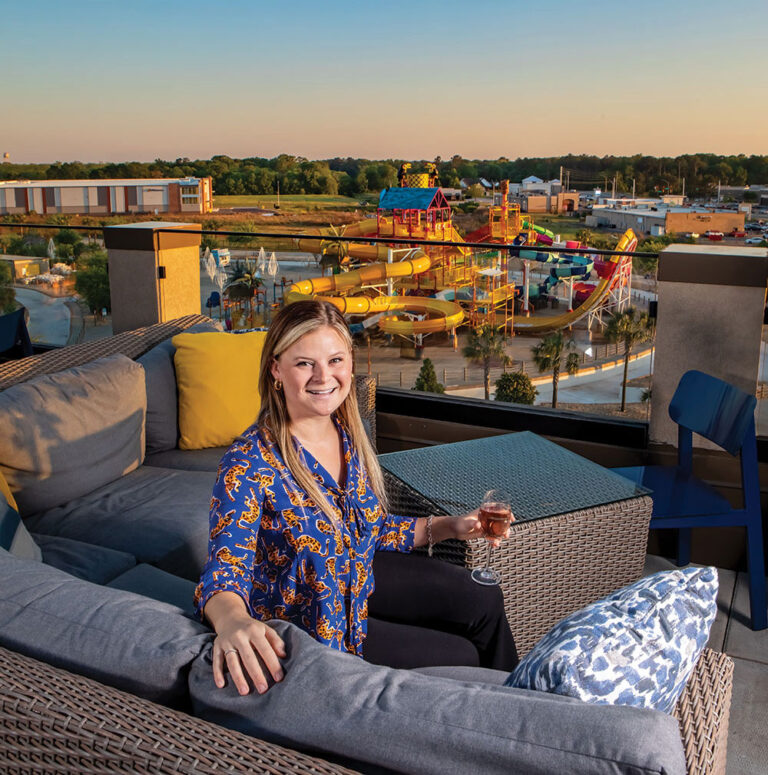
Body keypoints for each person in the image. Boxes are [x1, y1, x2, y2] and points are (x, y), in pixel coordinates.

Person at [194, 300, 518, 696]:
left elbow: (370, 529)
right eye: (304, 364)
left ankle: (524, 703)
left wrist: (451, 527)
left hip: (357, 577)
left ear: (350, 362)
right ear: (276, 369)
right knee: (462, 655)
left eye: (335, 360)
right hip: (319, 625)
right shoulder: (248, 463)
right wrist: (232, 622)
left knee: (481, 597)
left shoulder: (347, 432)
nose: (323, 377)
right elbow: (224, 571)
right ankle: (498, 718)